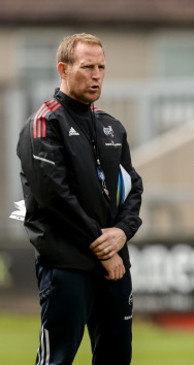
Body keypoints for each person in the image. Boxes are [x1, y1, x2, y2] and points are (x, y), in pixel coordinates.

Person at [16, 33, 143, 364]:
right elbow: (54, 197)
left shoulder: (112, 126)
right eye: (88, 67)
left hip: (115, 264)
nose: (97, 74)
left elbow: (132, 188)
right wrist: (102, 249)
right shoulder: (44, 124)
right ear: (63, 69)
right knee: (56, 359)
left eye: (101, 67)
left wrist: (123, 232)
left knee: (116, 358)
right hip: (67, 265)